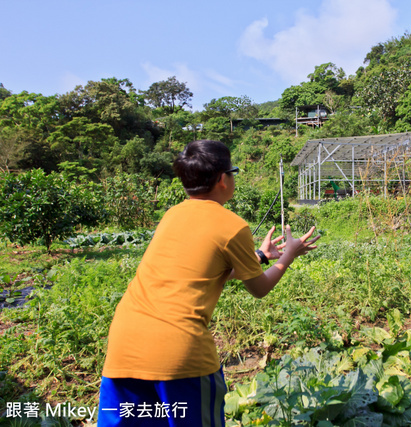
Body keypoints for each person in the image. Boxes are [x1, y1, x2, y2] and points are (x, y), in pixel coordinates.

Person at [98, 139, 319, 427]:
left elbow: (199, 272)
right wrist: (288, 256)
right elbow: (259, 289)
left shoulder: (172, 215)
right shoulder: (232, 225)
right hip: (179, 354)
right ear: (222, 180)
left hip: (123, 347)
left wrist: (261, 256)